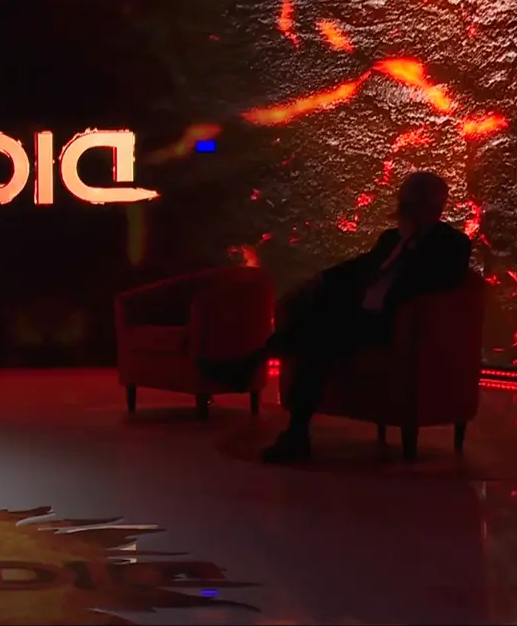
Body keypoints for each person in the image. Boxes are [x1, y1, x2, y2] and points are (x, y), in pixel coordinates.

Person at [202, 171, 472, 463]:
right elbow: (358, 267)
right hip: (361, 316)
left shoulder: (452, 243)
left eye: (412, 204)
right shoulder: (391, 239)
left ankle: (253, 371)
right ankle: (278, 408)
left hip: (395, 324)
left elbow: (441, 282)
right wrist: (317, 281)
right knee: (314, 320)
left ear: (434, 206)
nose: (404, 210)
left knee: (317, 332)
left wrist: (413, 246)